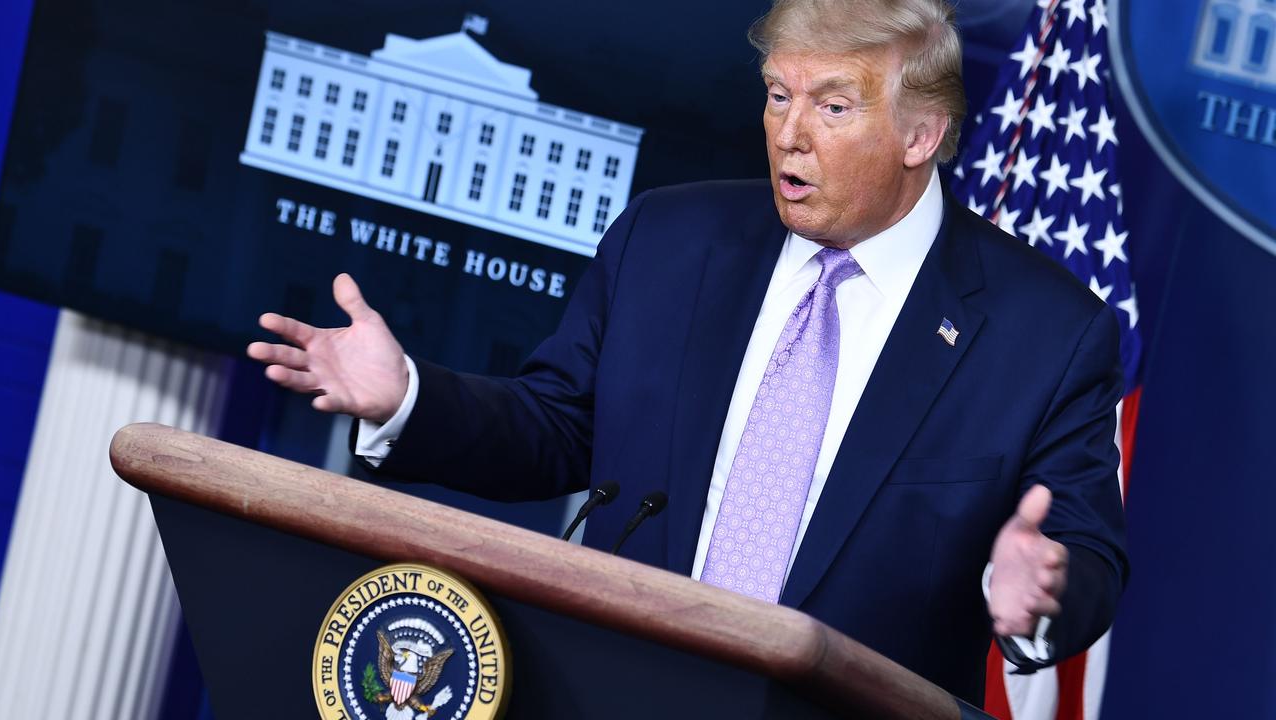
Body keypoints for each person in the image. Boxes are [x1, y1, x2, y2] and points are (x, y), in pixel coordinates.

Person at [247, 0, 1127, 704]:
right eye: (779, 95)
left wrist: (1040, 592)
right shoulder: (668, 239)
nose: (790, 133)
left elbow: (1085, 550)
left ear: (919, 136)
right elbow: (555, 427)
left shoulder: (1042, 332)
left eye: (832, 105)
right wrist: (406, 396)